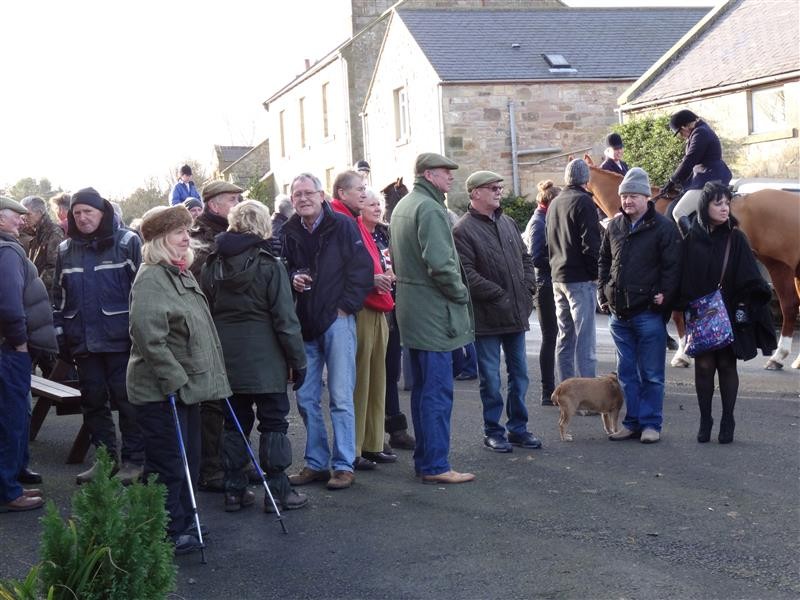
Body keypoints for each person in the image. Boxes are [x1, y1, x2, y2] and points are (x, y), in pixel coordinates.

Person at [127, 205, 231, 555]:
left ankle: (186, 520)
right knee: (170, 463)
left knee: (189, 460)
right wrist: (176, 379)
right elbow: (148, 337)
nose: (187, 237)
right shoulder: (152, 278)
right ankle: (169, 529)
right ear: (160, 239)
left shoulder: (180, 273)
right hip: (161, 392)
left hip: (186, 389)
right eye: (178, 232)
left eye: (187, 231)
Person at [200, 200, 309, 513]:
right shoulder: (270, 265)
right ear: (263, 226)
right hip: (266, 360)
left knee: (234, 425)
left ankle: (234, 491)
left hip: (227, 359)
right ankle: (279, 492)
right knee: (273, 424)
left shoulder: (211, 265)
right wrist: (298, 361)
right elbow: (285, 320)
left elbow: (206, 310)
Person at [281, 173, 373, 491]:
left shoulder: (343, 225)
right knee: (306, 398)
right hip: (305, 323)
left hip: (337, 321)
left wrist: (345, 307)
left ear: (322, 196)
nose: (303, 199)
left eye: (309, 193)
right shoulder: (289, 231)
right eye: (297, 194)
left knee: (340, 396)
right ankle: (317, 463)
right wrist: (292, 277)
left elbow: (362, 269)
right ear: (292, 200)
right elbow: (284, 268)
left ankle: (344, 465)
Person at [390, 152, 475, 485]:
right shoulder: (429, 208)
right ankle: (436, 465)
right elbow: (440, 264)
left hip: (413, 310)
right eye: (444, 171)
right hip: (433, 313)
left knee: (423, 391)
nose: (450, 176)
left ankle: (427, 462)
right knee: (437, 393)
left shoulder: (405, 205)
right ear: (428, 175)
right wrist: (461, 293)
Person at [53, 187, 144, 485]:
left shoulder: (128, 242)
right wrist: (61, 335)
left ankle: (134, 461)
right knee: (92, 402)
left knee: (128, 402)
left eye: (88, 212)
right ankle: (105, 462)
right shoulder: (65, 249)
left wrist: (142, 335)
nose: (82, 218)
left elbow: (142, 292)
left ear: (102, 212)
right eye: (77, 213)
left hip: (122, 341)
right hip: (83, 341)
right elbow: (59, 297)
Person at [678, 182, 776, 444]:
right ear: (705, 206)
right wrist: (685, 303)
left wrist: (744, 306)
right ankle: (705, 419)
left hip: (729, 312)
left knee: (726, 364)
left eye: (726, 203)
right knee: (703, 366)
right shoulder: (691, 238)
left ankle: (728, 418)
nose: (724, 208)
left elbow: (750, 276)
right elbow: (682, 274)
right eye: (717, 203)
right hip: (700, 314)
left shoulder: (736, 238)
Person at [453, 171, 541, 453]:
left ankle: (518, 429)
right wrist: (500, 295)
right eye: (493, 188)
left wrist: (528, 288)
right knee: (491, 379)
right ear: (475, 193)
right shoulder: (463, 230)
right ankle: (493, 431)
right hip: (487, 318)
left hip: (514, 314)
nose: (499, 192)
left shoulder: (508, 222)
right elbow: (466, 274)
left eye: (499, 188)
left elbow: (526, 258)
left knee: (520, 375)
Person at [598, 168, 682, 444]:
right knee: (626, 374)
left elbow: (673, 267)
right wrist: (603, 293)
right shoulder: (614, 226)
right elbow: (604, 261)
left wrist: (665, 295)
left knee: (652, 375)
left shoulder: (664, 228)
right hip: (618, 315)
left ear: (647, 197)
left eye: (633, 195)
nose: (627, 200)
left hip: (648, 313)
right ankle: (632, 423)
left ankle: (650, 425)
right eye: (624, 195)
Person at [330, 171, 397, 470]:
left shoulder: (356, 222)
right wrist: (371, 280)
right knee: (359, 381)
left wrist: (379, 276)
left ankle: (372, 442)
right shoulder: (339, 219)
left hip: (376, 305)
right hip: (359, 307)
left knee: (376, 379)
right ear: (342, 193)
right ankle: (355, 446)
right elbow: (336, 267)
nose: (364, 194)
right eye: (359, 189)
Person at [0, 196, 57, 513]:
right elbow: (10, 306)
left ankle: (10, 483)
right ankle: (8, 492)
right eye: (16, 216)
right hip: (9, 350)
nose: (23, 220)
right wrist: (21, 342)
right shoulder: (7, 251)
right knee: (10, 420)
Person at [189, 179, 242, 492]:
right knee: (212, 401)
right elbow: (202, 282)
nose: (237, 205)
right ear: (213, 204)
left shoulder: (235, 233)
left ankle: (236, 460)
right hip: (208, 325)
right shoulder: (199, 237)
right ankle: (211, 467)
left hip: (232, 326)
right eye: (232, 199)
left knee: (236, 398)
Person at [361, 189, 416, 451]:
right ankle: (372, 437)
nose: (377, 208)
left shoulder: (385, 233)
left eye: (379, 204)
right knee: (371, 374)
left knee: (391, 371)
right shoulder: (355, 234)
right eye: (371, 204)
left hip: (392, 306)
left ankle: (396, 429)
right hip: (368, 308)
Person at [546, 159, 601, 382]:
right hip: (580, 278)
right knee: (585, 341)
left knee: (565, 337)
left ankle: (566, 389)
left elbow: (548, 241)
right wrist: (596, 274)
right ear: (586, 180)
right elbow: (591, 244)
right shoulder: (584, 202)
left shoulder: (554, 203)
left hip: (558, 276)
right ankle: (587, 394)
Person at [523, 180, 561, 406]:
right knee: (550, 337)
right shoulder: (538, 222)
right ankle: (547, 390)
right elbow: (536, 257)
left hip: (549, 283)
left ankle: (554, 388)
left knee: (555, 336)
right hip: (544, 286)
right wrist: (561, 262)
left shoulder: (544, 218)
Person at [664, 109, 732, 230]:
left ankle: (693, 241)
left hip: (709, 179)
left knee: (679, 212)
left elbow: (689, 160)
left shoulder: (700, 133)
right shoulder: (702, 130)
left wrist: (673, 180)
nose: (681, 136)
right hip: (710, 177)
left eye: (680, 133)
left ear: (684, 127)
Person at [20, 196, 64, 301]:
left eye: (28, 214)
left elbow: (54, 267)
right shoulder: (36, 231)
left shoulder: (54, 232)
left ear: (39, 212)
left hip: (46, 295)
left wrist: (35, 289)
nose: (24, 218)